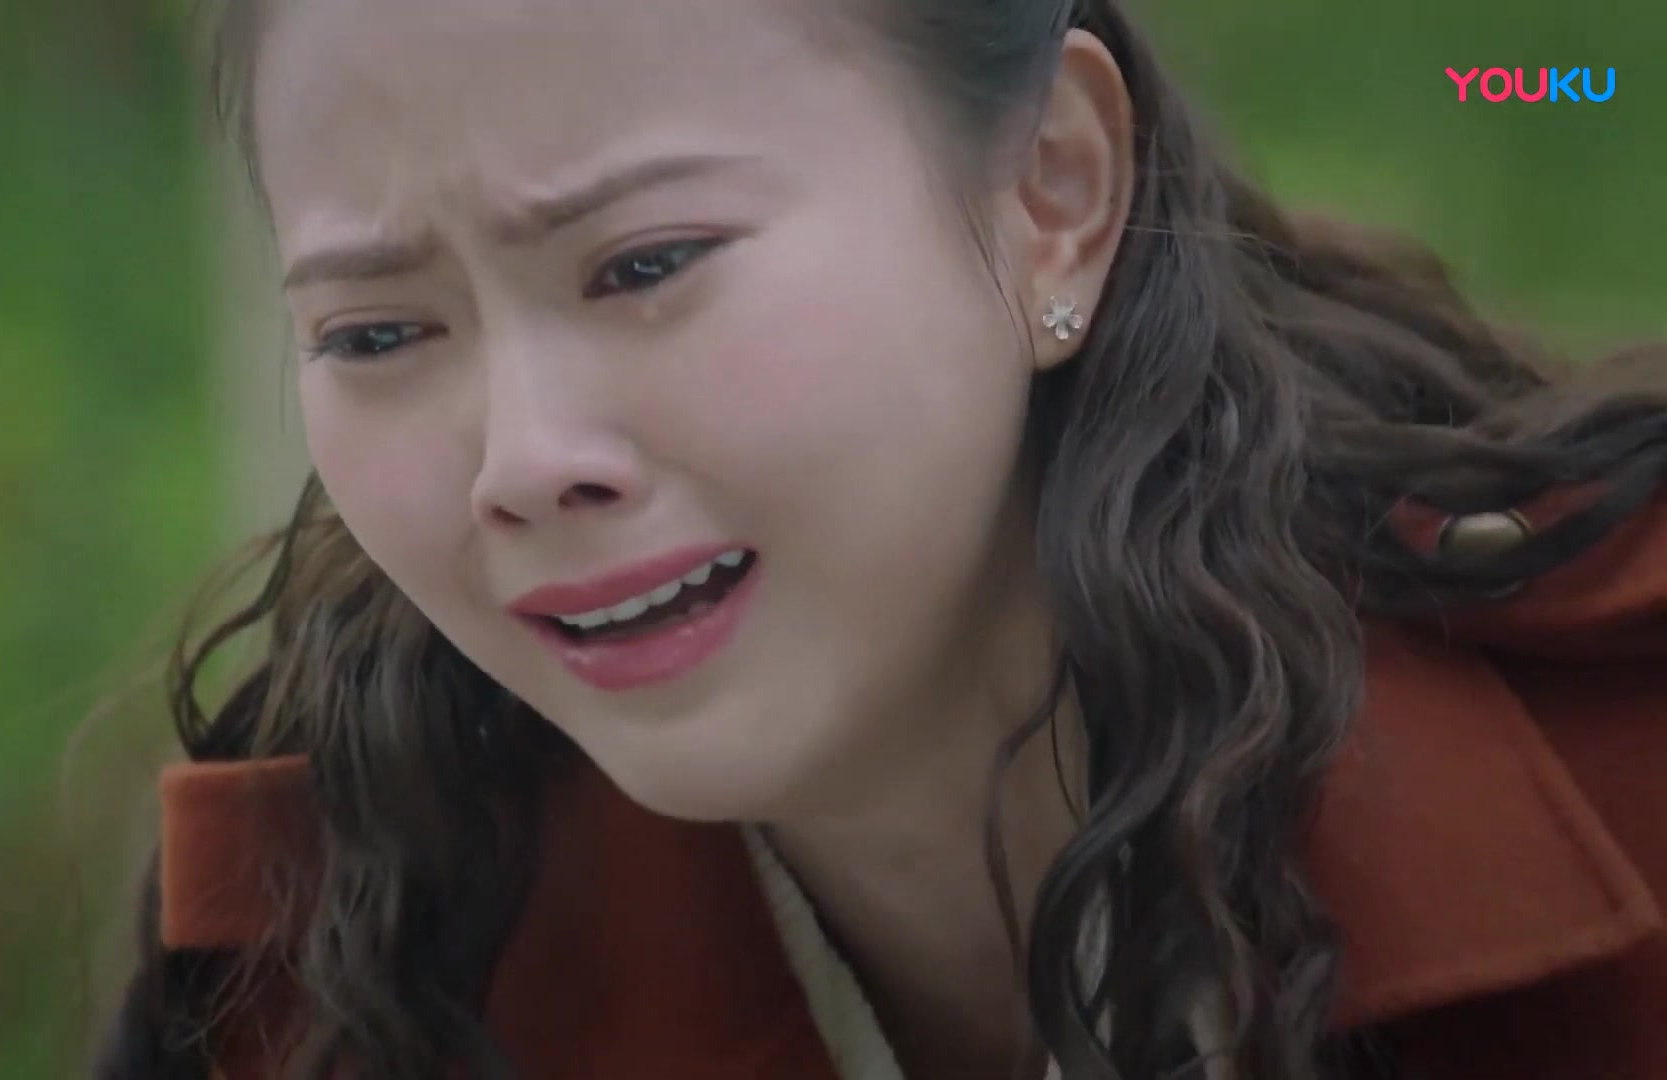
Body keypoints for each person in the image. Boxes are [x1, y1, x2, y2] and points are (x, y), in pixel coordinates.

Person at [96, 0, 1667, 1076]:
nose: (521, 463)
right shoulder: (331, 968)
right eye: (376, 335)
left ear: (1052, 191)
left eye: (645, 264)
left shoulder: (1624, 781)